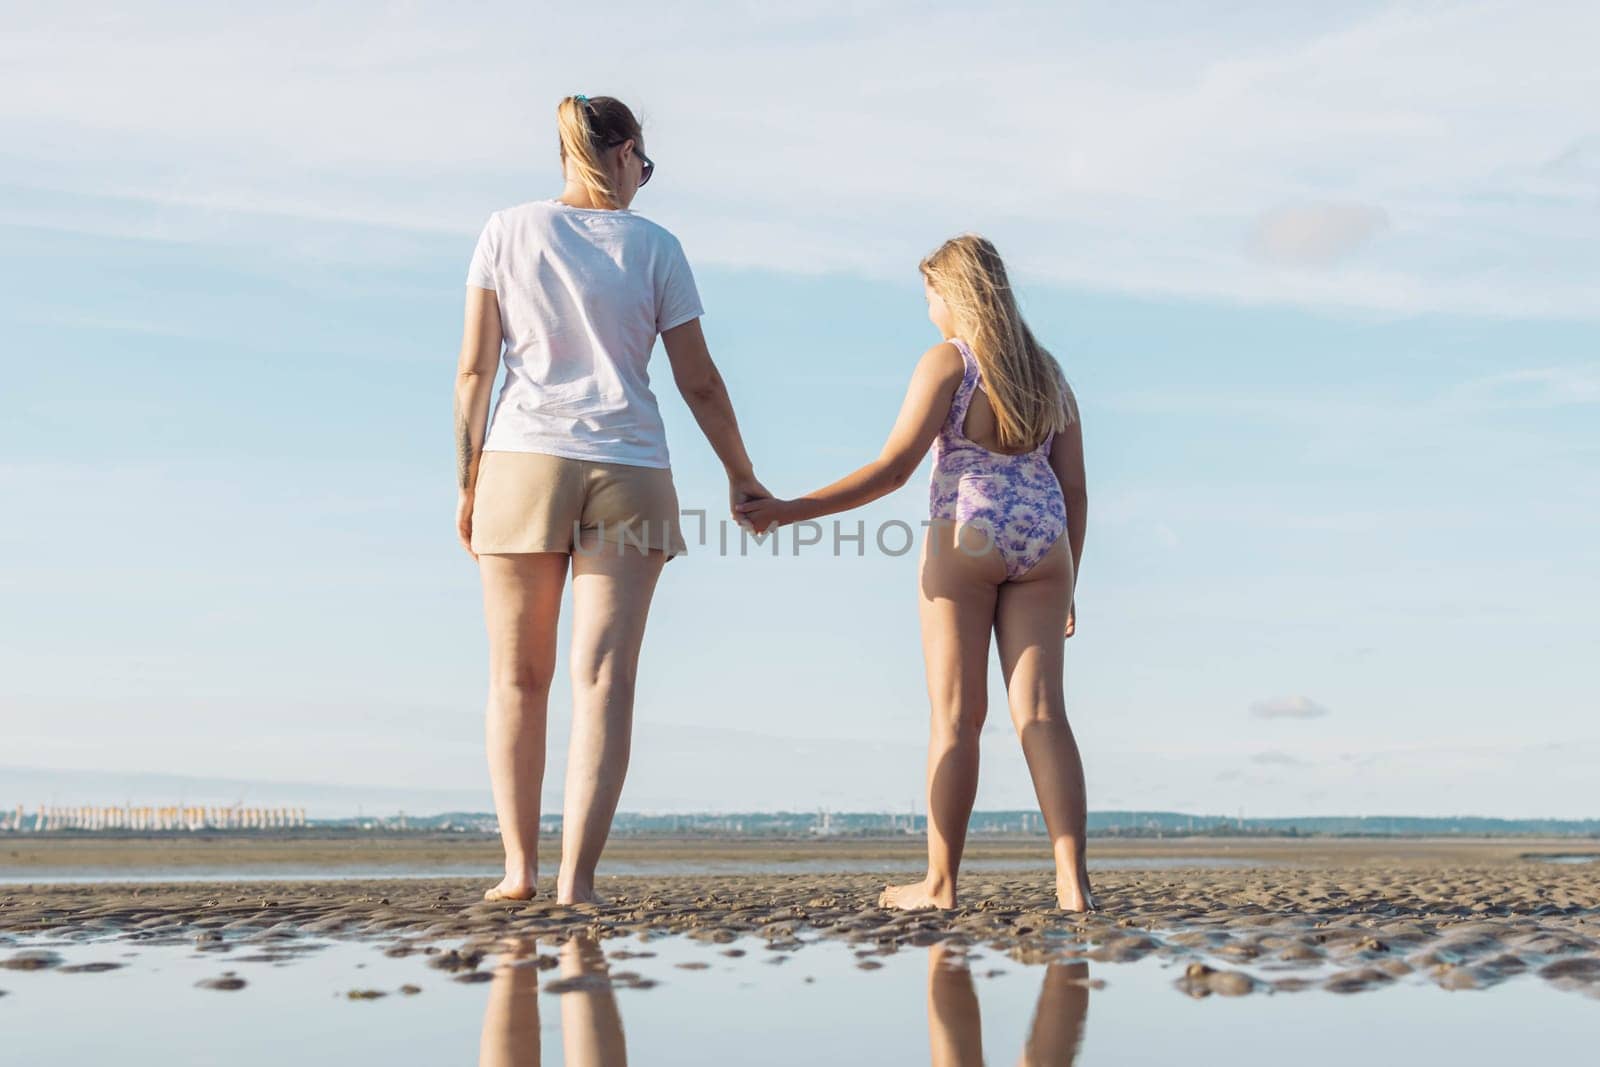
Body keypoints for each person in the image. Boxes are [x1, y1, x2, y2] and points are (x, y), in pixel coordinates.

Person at [454, 94, 767, 904]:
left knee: (516, 677)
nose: (644, 182)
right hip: (628, 465)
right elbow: (698, 379)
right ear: (624, 153)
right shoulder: (656, 247)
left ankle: (518, 870)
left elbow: (474, 374)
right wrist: (740, 473)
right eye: (646, 167)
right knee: (603, 679)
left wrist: (467, 480)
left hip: (521, 459)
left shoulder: (505, 230)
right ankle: (576, 881)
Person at [738, 235, 1094, 911]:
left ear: (951, 293)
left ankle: (940, 884)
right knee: (1044, 714)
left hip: (969, 531)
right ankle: (1073, 886)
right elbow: (1075, 487)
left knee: (956, 718)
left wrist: (789, 509)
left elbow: (894, 468)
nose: (926, 304)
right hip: (1046, 540)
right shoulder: (1048, 373)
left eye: (928, 290)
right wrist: (1070, 575)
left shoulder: (950, 362)